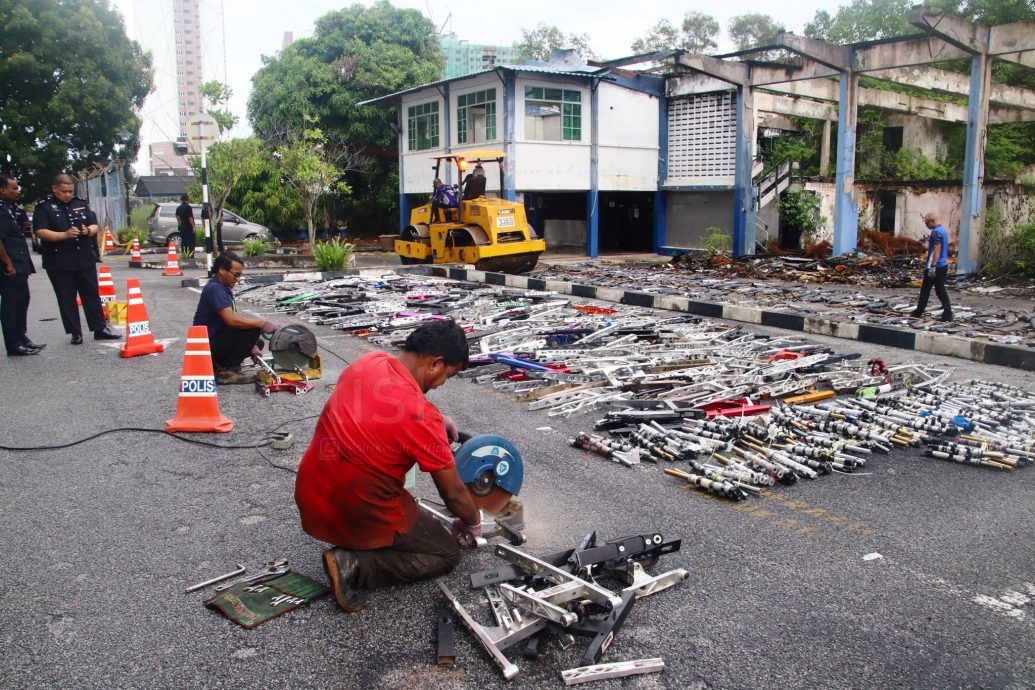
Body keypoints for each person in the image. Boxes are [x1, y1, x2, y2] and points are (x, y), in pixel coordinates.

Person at [294, 319, 480, 613]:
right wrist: (472, 522)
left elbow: (381, 409)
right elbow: (454, 494)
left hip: (311, 492)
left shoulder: (368, 362)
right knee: (446, 553)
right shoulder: (420, 415)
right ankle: (354, 565)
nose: (443, 383)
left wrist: (435, 420)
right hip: (356, 508)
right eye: (449, 375)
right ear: (435, 364)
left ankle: (360, 545)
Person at [32, 173, 120, 344]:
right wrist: (64, 235)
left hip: (84, 258)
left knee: (91, 295)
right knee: (66, 298)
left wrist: (89, 230)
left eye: (70, 191)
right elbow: (40, 231)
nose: (67, 195)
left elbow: (95, 225)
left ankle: (99, 328)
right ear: (55, 189)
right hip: (60, 261)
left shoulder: (80, 204)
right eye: (64, 191)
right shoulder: (45, 208)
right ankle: (75, 332)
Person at [192, 251, 276, 384]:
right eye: (235, 274)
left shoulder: (223, 288)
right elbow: (231, 320)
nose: (237, 278)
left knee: (257, 342)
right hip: (205, 347)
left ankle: (218, 366)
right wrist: (261, 323)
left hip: (213, 341)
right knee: (252, 329)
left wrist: (251, 344)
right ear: (221, 270)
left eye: (239, 275)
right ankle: (229, 372)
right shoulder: (215, 289)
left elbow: (232, 318)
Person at [0, 175, 44, 356]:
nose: (17, 191)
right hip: (9, 265)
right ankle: (13, 343)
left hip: (19, 263)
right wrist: (8, 264)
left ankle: (21, 337)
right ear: (2, 189)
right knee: (11, 305)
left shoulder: (9, 208)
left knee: (22, 301)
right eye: (13, 188)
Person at [911, 213, 953, 322]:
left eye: (927, 223)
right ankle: (947, 313)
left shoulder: (936, 233)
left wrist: (933, 266)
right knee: (939, 290)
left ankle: (919, 311)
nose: (926, 226)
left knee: (926, 290)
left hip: (935, 266)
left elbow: (937, 251)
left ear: (932, 221)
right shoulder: (943, 230)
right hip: (943, 265)